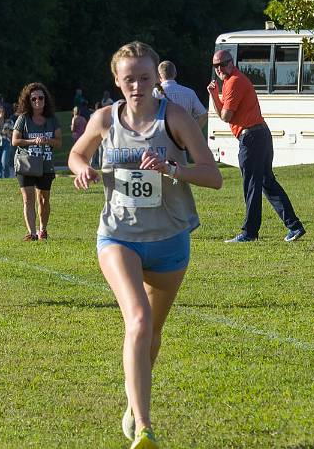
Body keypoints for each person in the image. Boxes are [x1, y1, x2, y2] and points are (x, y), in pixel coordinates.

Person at [69, 41, 222, 449]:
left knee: (151, 333)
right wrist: (82, 168)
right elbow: (75, 155)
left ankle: (133, 401)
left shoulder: (174, 118)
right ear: (116, 81)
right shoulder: (104, 119)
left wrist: (173, 168)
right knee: (136, 321)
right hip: (118, 236)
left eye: (144, 77)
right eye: (128, 78)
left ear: (157, 78)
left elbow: (213, 175)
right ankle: (145, 427)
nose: (136, 85)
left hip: (170, 240)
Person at [208, 49, 306, 243]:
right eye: (215, 65)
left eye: (222, 63)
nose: (219, 68)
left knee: (252, 184)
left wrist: (213, 95)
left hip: (251, 137)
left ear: (231, 62)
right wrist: (216, 93)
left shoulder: (234, 81)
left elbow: (225, 116)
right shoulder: (231, 81)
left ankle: (249, 233)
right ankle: (294, 226)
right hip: (260, 134)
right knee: (266, 182)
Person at [11, 82, 62, 241]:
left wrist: (47, 140)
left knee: (44, 199)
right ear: (29, 100)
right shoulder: (23, 119)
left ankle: (42, 230)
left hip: (45, 164)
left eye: (40, 98)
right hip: (26, 164)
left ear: (45, 99)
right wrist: (34, 142)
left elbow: (59, 142)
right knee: (28, 199)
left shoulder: (52, 119)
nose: (37, 101)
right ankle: (31, 233)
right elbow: (15, 141)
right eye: (34, 99)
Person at [153, 61, 207, 129]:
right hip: (184, 136)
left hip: (161, 135)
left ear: (158, 76)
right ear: (175, 74)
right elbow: (203, 115)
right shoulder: (189, 93)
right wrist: (193, 132)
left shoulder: (154, 93)